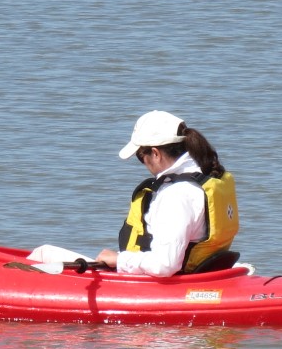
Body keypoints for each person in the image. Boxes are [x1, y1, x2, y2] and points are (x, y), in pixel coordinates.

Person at [94, 111, 239, 276]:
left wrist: (119, 260)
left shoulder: (176, 195)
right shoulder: (209, 175)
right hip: (203, 272)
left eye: (140, 156)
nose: (143, 164)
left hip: (177, 284)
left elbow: (165, 265)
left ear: (155, 154)